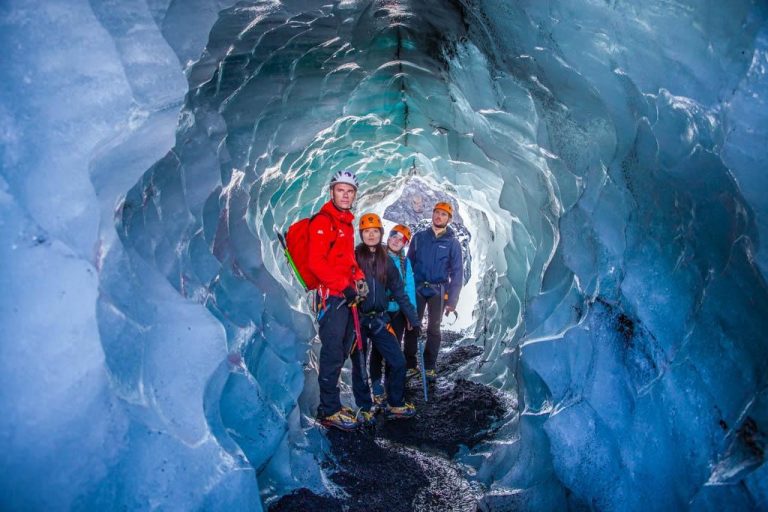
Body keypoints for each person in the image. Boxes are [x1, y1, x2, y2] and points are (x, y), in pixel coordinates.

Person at [308, 170, 371, 431]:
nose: (345, 195)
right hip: (332, 299)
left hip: (345, 298)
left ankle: (332, 404)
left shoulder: (345, 222)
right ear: (331, 192)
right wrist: (344, 286)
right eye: (340, 190)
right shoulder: (323, 221)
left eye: (350, 191)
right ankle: (328, 409)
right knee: (333, 352)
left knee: (344, 347)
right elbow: (316, 263)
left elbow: (347, 261)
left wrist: (358, 277)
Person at [355, 213, 420, 419]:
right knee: (359, 363)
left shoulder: (387, 261)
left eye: (375, 231)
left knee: (398, 361)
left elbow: (400, 291)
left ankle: (395, 402)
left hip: (379, 319)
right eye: (367, 232)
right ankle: (365, 408)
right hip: (359, 318)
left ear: (380, 233)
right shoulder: (355, 256)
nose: (372, 235)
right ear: (361, 234)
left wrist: (413, 318)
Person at [403, 201, 463, 382]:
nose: (439, 216)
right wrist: (406, 291)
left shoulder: (453, 243)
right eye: (437, 212)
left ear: (449, 219)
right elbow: (408, 265)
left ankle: (429, 366)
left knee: (434, 329)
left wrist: (452, 301)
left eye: (444, 214)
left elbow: (457, 273)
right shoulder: (419, 237)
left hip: (439, 289)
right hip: (418, 287)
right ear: (432, 214)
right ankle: (410, 365)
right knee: (413, 325)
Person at [370, 224, 416, 405]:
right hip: (380, 312)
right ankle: (376, 385)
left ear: (405, 244)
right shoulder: (376, 256)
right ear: (388, 238)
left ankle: (390, 384)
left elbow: (409, 286)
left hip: (397, 311)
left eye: (402, 239)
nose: (397, 241)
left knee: (394, 349)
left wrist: (410, 313)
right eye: (394, 236)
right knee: (377, 351)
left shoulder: (405, 263)